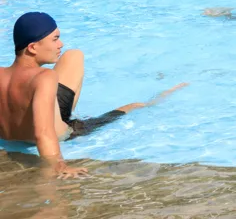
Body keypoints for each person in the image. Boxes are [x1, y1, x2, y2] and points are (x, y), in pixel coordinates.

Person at [0, 12, 186, 178]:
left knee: (73, 55)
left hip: (14, 134)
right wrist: (59, 166)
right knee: (132, 107)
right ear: (32, 48)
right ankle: (164, 95)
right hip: (63, 133)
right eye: (55, 39)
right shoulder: (44, 77)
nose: (61, 44)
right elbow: (43, 133)